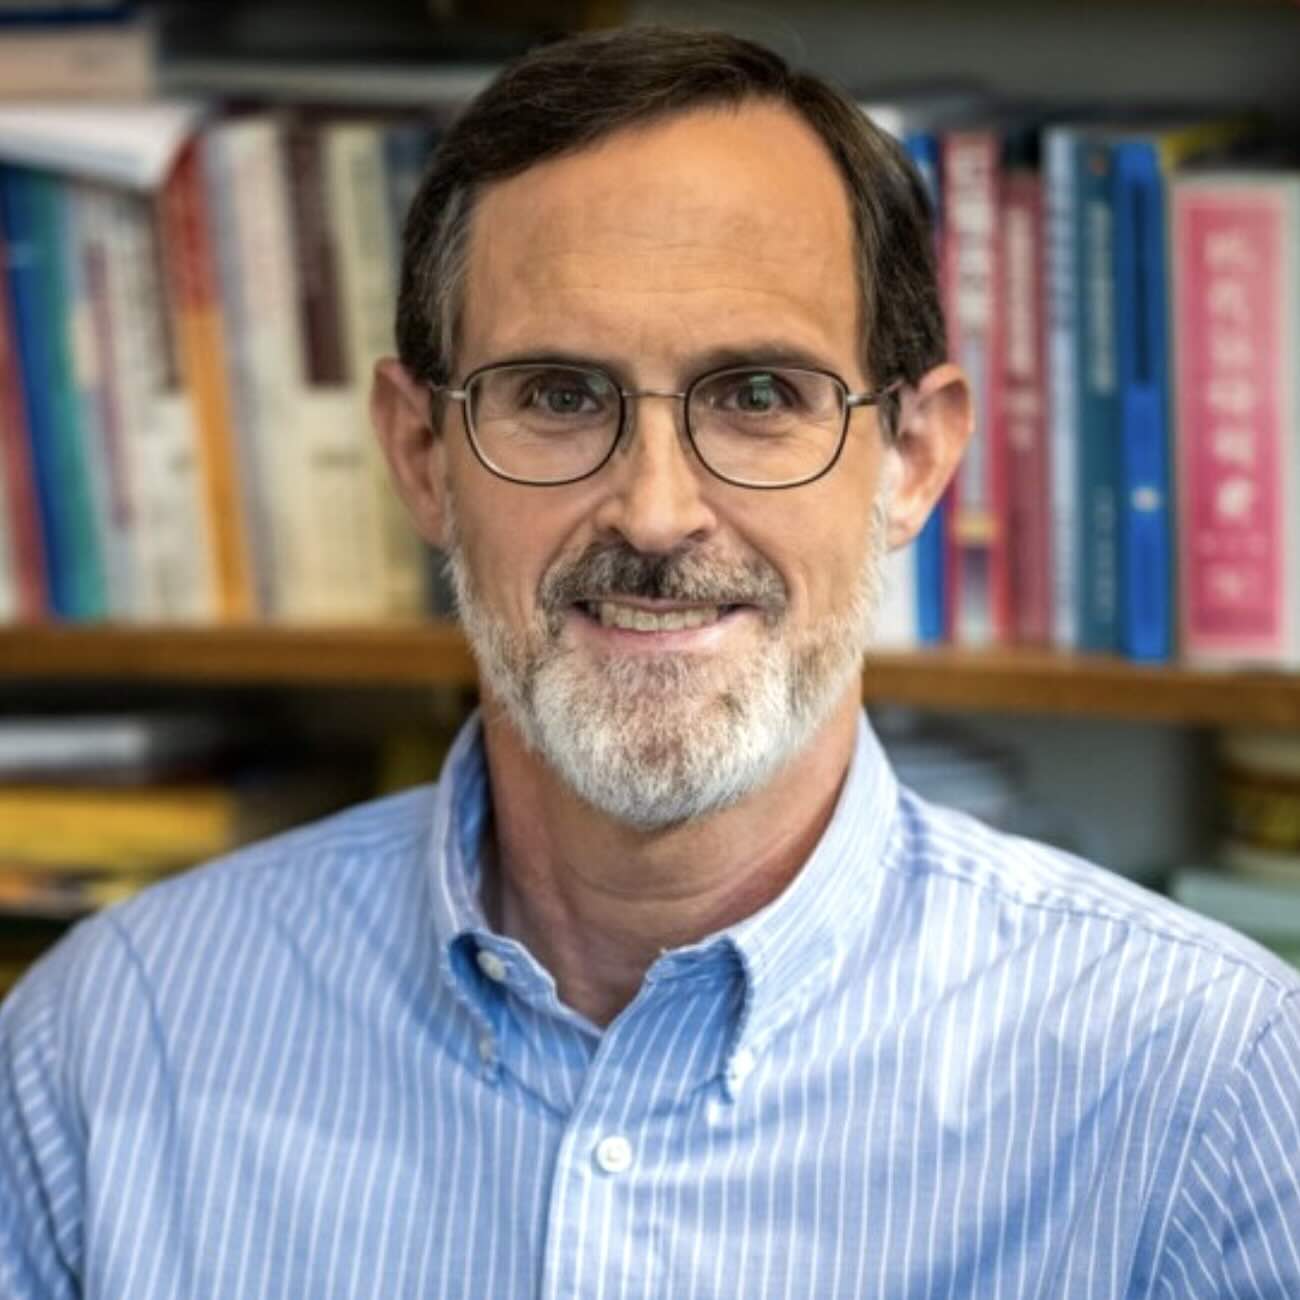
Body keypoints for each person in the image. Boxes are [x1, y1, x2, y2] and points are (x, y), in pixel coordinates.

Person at [2, 25, 1298, 1299]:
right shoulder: (108, 1052)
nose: (658, 511)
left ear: (911, 461)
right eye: (561, 395)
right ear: (419, 455)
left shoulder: (1203, 1093)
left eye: (757, 394)